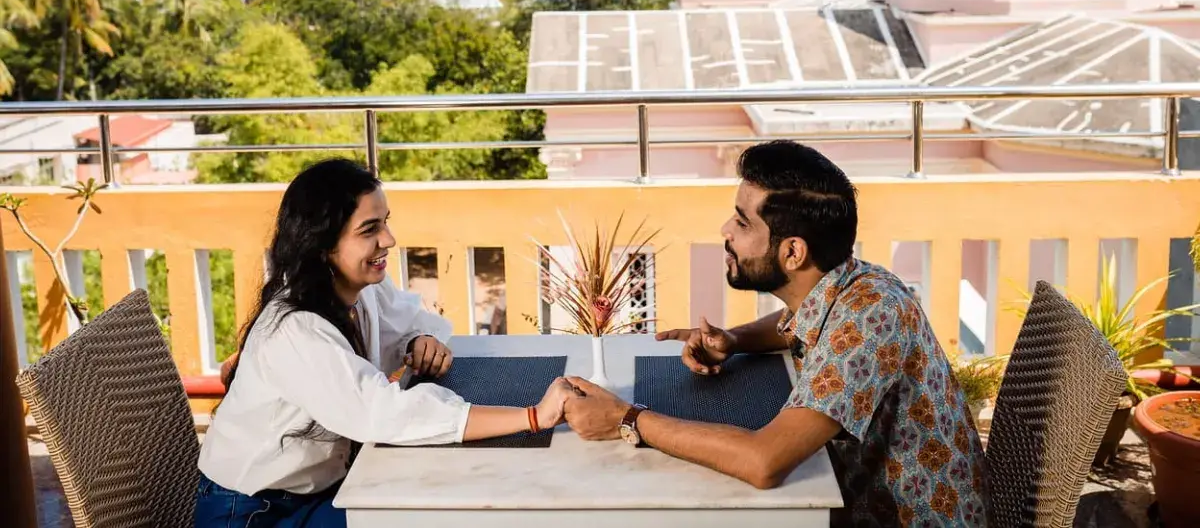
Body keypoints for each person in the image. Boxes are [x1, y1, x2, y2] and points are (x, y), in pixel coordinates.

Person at [562, 141, 992, 527]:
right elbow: (808, 321)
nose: (726, 231)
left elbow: (764, 462)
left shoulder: (872, 316)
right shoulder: (852, 284)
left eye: (742, 223)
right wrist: (734, 340)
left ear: (792, 252)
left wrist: (626, 419)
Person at [196, 159, 577, 528]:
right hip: (255, 512)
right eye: (369, 229)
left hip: (322, 489)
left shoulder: (359, 288)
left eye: (386, 222)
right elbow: (383, 414)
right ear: (322, 244)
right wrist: (532, 417)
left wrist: (420, 339)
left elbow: (408, 318)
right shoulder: (296, 329)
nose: (389, 240)